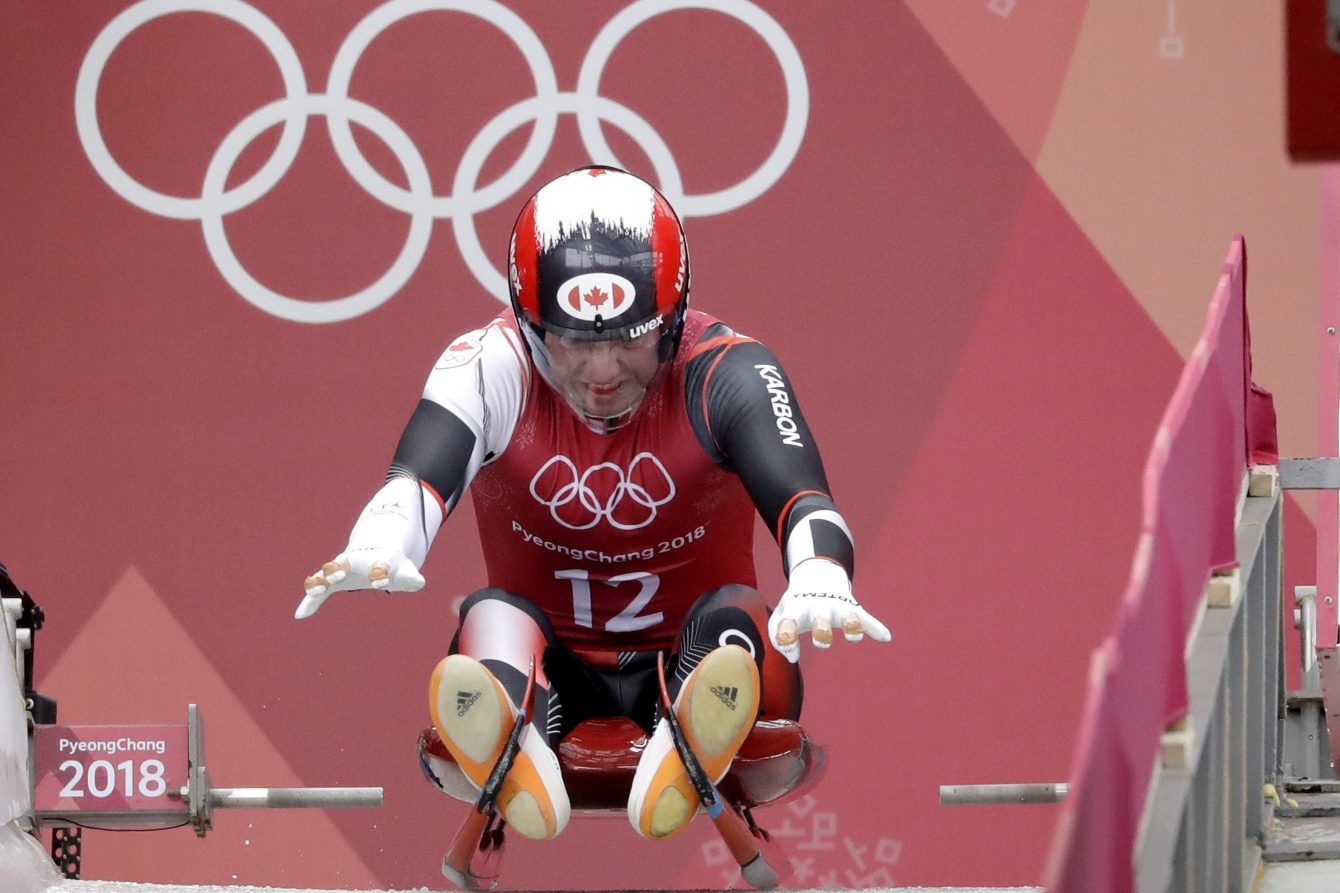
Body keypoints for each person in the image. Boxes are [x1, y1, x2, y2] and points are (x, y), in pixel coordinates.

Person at [297, 165, 890, 843]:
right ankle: (519, 741)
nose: (603, 373)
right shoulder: (489, 364)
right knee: (488, 615)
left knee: (741, 612)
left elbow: (806, 501)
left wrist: (821, 574)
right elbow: (417, 481)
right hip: (549, 672)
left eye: (631, 339)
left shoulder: (728, 369)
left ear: (674, 317)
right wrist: (381, 541)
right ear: (528, 323)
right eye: (575, 342)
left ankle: (685, 733)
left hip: (701, 660)